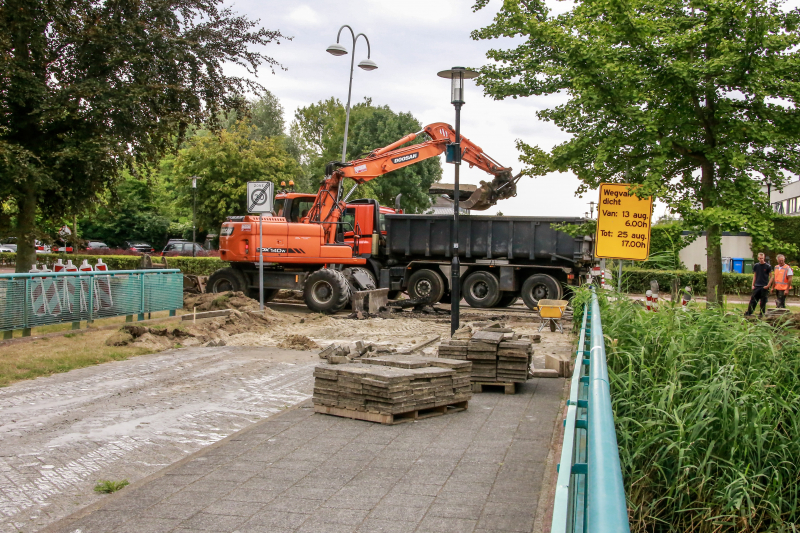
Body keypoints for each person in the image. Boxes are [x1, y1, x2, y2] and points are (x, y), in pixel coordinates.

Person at [745, 252, 772, 317]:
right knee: (753, 300)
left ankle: (762, 313)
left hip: (764, 286)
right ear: (758, 258)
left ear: (764, 258)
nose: (761, 259)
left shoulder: (768, 266)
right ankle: (749, 312)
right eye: (760, 258)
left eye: (762, 258)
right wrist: (753, 284)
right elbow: (755, 276)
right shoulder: (756, 266)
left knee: (763, 301)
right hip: (757, 285)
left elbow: (771, 277)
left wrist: (768, 285)